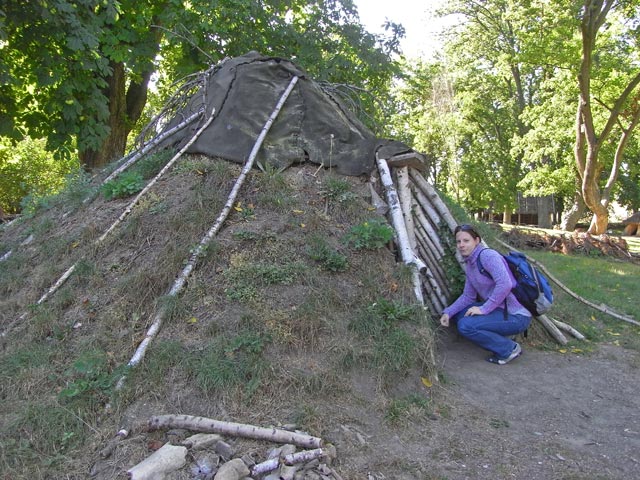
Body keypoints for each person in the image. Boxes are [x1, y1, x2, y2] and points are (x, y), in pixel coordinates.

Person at [439, 224, 531, 364]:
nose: (461, 245)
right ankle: (503, 338)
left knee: (466, 325)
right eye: (458, 241)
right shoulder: (471, 264)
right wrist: (448, 313)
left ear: (476, 241)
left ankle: (508, 349)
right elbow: (468, 297)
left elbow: (505, 284)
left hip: (516, 314)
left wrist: (483, 309)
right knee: (460, 314)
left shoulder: (488, 256)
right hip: (500, 309)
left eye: (466, 240)